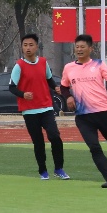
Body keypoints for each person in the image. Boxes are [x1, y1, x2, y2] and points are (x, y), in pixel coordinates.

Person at [59, 33, 107, 188]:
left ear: (90, 49)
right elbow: (64, 87)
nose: (79, 49)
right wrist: (68, 97)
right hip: (83, 116)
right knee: (94, 147)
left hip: (103, 112)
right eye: (77, 47)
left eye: (82, 47)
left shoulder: (98, 64)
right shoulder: (69, 68)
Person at [10, 32, 68, 180]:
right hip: (29, 110)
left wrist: (55, 87)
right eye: (25, 45)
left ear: (37, 47)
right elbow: (12, 87)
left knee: (55, 137)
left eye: (31, 45)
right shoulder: (19, 66)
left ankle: (59, 169)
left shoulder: (43, 62)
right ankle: (43, 171)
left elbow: (49, 79)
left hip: (46, 107)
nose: (28, 48)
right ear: (22, 47)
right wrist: (23, 94)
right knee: (38, 141)